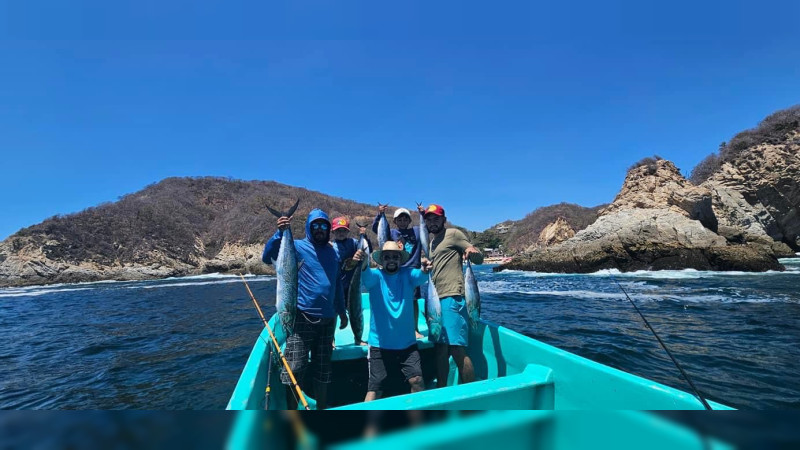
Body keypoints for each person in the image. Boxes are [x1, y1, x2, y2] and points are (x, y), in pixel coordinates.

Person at [262, 208, 348, 410]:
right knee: (295, 368)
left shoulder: (333, 252)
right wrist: (280, 232)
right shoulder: (297, 246)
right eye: (315, 225)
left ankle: (321, 410)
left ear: (328, 229)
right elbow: (267, 258)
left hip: (328, 321)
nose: (319, 229)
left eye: (323, 225)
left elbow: (336, 286)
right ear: (309, 227)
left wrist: (342, 312)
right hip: (302, 319)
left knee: (323, 369)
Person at [352, 241, 429, 401]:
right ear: (381, 260)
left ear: (400, 260)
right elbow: (365, 270)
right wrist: (363, 261)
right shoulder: (374, 277)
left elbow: (422, 275)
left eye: (395, 257)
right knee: (375, 388)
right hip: (379, 345)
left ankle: (419, 422)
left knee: (417, 381)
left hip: (407, 344)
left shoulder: (408, 275)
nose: (391, 260)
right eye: (387, 257)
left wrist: (425, 268)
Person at [419, 203, 483, 387]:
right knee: (440, 350)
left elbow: (478, 258)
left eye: (436, 218)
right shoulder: (430, 243)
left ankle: (469, 396)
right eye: (429, 219)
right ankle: (442, 389)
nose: (432, 222)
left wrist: (472, 252)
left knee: (457, 350)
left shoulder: (453, 234)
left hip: (452, 297)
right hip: (435, 300)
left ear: (444, 220)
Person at [371, 205, 425, 338]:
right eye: (399, 220)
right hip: (397, 271)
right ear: (395, 221)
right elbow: (375, 228)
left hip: (413, 271)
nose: (402, 222)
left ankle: (415, 328)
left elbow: (427, 227)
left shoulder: (417, 231)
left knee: (413, 300)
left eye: (405, 219)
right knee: (398, 300)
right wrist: (380, 214)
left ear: (409, 220)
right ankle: (397, 326)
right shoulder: (392, 233)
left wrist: (422, 213)